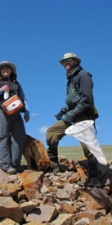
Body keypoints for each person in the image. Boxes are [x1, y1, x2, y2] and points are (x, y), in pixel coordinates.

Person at [46, 53, 109, 188]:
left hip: (83, 117)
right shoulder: (70, 78)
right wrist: (63, 111)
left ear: (75, 61)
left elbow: (86, 100)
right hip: (72, 115)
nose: (66, 63)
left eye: (69, 60)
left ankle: (94, 178)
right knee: (52, 133)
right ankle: (54, 165)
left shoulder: (84, 76)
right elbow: (72, 100)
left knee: (88, 146)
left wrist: (70, 116)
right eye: (64, 61)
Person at [0, 61, 30, 174]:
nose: (5, 70)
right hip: (1, 112)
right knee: (3, 137)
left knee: (19, 137)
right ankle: (6, 166)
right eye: (3, 68)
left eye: (7, 68)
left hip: (15, 113)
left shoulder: (17, 83)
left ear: (11, 71)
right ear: (0, 71)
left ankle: (16, 164)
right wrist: (1, 90)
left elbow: (23, 97)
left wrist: (27, 112)